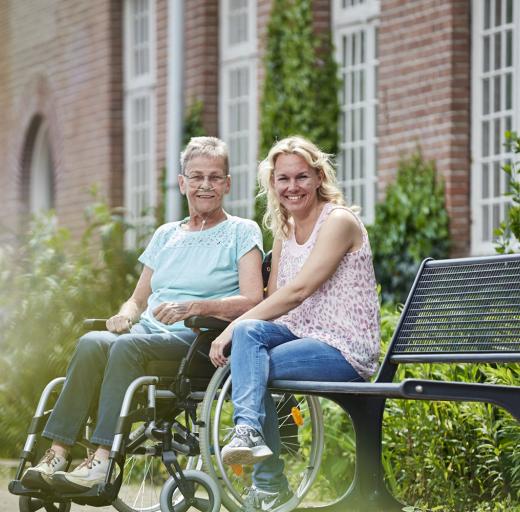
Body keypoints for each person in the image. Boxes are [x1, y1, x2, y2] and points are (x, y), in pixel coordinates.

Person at [22, 136, 264, 493]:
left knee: (125, 349)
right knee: (92, 341)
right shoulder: (166, 234)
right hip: (148, 336)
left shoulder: (242, 231)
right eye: (197, 177)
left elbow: (252, 300)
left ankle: (102, 459)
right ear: (182, 182)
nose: (205, 186)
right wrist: (124, 315)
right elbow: (137, 299)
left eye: (215, 177)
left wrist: (196, 307)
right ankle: (56, 453)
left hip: (198, 341)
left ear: (227, 184)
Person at [209, 135, 380, 511]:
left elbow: (299, 290)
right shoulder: (284, 228)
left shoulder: (338, 221)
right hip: (300, 334)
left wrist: (229, 330)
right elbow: (273, 299)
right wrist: (235, 322)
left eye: (301, 177)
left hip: (343, 346)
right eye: (283, 179)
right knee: (251, 336)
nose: (292, 187)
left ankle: (268, 482)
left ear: (319, 177)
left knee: (252, 360)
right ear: (273, 184)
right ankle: (250, 435)